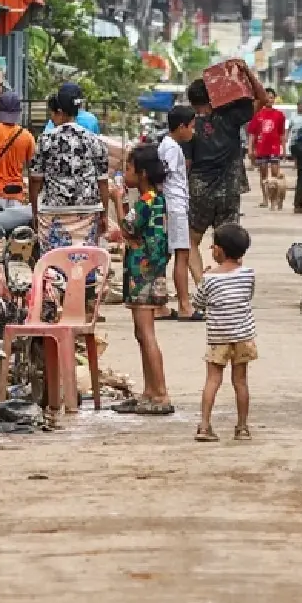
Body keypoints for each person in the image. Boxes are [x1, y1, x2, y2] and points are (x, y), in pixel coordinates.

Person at [109, 144, 175, 416]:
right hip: (147, 270)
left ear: (143, 173)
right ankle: (149, 391)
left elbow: (127, 228)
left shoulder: (147, 201)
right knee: (141, 332)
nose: (125, 173)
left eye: (129, 168)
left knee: (146, 333)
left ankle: (160, 393)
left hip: (143, 273)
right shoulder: (155, 199)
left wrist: (116, 200)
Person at [186, 71, 265, 283]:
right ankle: (228, 284)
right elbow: (262, 99)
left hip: (199, 189)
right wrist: (247, 71)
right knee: (230, 242)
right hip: (230, 188)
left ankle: (202, 285)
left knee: (191, 240)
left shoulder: (189, 125)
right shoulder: (230, 117)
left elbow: (186, 163)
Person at [26, 86, 114, 250]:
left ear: (59, 111)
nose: (52, 119)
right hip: (87, 213)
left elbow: (35, 180)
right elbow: (103, 182)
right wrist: (104, 214)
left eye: (52, 114)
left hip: (53, 211)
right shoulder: (94, 140)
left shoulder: (46, 139)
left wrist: (34, 211)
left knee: (53, 266)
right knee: (83, 263)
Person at [194, 222, 257, 442]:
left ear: (219, 250)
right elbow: (247, 296)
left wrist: (203, 279)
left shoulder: (210, 279)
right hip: (243, 335)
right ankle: (242, 427)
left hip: (218, 337)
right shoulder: (248, 274)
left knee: (213, 380)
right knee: (240, 381)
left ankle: (204, 425)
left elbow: (198, 303)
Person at [160, 104, 195, 320]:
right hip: (175, 205)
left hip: (173, 205)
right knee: (182, 254)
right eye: (191, 126)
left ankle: (160, 303)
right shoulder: (172, 148)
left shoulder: (168, 145)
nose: (193, 131)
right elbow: (165, 176)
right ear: (181, 127)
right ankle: (184, 305)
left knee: (167, 254)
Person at [0, 91, 36, 208]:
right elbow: (32, 172)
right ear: (18, 112)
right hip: (17, 196)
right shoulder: (28, 136)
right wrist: (32, 202)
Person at [247, 99, 289, 207]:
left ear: (274, 99)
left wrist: (284, 150)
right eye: (267, 97)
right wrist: (250, 149)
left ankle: (274, 199)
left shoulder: (279, 115)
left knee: (275, 174)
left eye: (271, 97)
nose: (269, 100)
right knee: (263, 175)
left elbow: (282, 134)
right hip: (261, 148)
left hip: (274, 148)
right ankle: (265, 198)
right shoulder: (258, 115)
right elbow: (252, 134)